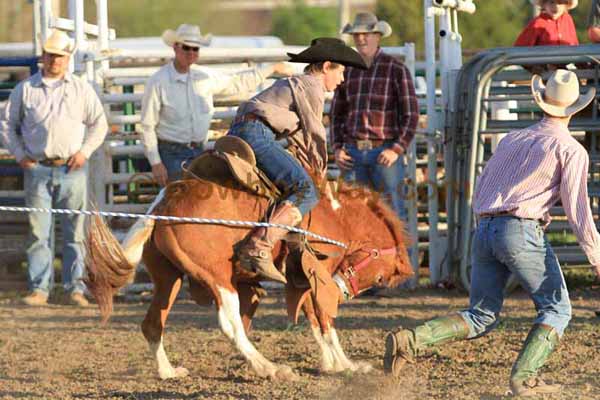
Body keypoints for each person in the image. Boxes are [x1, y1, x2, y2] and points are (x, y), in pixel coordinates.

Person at [383, 69, 600, 397]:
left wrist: (483, 229)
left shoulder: (513, 138)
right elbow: (578, 210)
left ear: (540, 102)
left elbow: (482, 185)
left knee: (481, 314)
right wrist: (596, 256)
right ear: (575, 109)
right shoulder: (571, 150)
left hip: (485, 226)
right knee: (557, 308)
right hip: (520, 229)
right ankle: (524, 379)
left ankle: (410, 340)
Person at [227, 37, 366, 283]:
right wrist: (321, 170)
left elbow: (300, 138)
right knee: (306, 190)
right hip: (257, 134)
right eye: (341, 71)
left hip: (244, 129)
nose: (343, 79)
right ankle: (260, 245)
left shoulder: (298, 84)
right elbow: (314, 133)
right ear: (326, 67)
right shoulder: (312, 86)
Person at [0, 30, 108, 307]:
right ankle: (40, 289)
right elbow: (7, 125)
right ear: (43, 57)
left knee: (74, 232)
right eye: (50, 55)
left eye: (59, 55)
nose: (55, 60)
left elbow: (99, 123)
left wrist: (84, 151)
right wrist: (20, 154)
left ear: (67, 58)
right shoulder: (26, 89)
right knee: (39, 233)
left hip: (71, 166)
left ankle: (74, 288)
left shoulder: (81, 88)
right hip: (38, 166)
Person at [140, 24, 293, 185]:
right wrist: (156, 163)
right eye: (187, 47)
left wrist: (271, 69)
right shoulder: (158, 81)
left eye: (195, 49)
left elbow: (237, 82)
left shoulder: (203, 77)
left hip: (198, 150)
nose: (191, 53)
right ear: (176, 47)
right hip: (170, 153)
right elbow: (147, 125)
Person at [330, 12, 419, 222]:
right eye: (357, 35)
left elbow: (411, 114)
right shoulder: (347, 70)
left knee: (393, 214)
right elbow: (336, 113)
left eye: (366, 34)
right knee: (353, 214)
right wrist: (337, 147)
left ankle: (400, 255)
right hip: (352, 153)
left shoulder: (395, 69)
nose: (361, 39)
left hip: (383, 152)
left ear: (377, 36)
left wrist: (396, 149)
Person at [515, 0, 579, 47]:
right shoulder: (537, 23)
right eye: (552, 2)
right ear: (544, 4)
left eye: (560, 2)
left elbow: (574, 44)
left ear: (566, 5)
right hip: (542, 63)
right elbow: (520, 49)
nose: (556, 6)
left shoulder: (568, 20)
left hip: (567, 62)